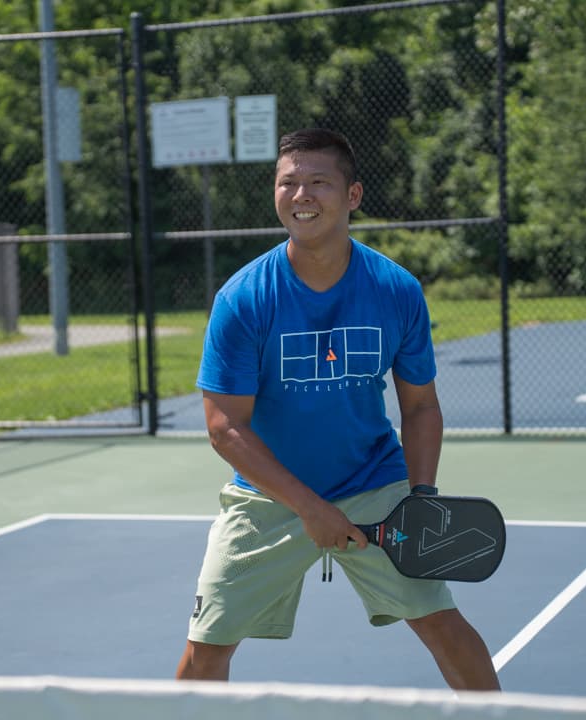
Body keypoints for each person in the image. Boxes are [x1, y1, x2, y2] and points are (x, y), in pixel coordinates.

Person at [175, 127, 500, 690]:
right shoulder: (243, 297)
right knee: (206, 650)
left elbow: (421, 408)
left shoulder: (396, 290)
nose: (301, 195)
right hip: (268, 496)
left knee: (442, 625)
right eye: (288, 183)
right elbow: (225, 428)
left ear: (352, 195)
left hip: (373, 483)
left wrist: (420, 499)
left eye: (318, 182)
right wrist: (308, 508)